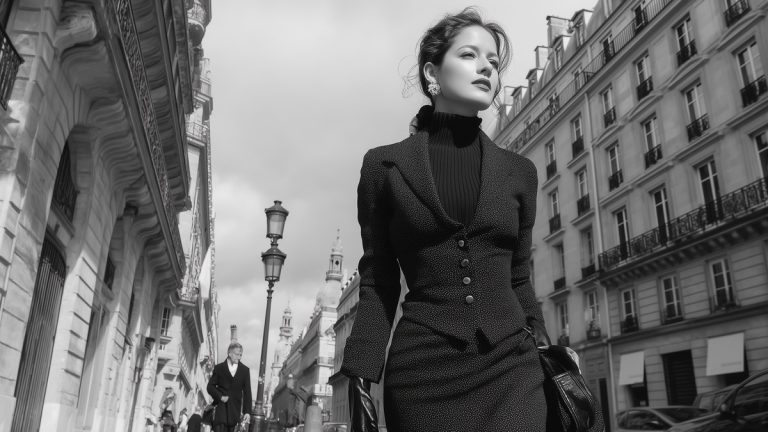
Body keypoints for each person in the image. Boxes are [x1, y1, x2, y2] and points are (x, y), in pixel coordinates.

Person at [340, 7, 603, 432]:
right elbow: (378, 283)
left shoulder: (520, 172)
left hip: (513, 368)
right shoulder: (383, 167)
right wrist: (360, 371)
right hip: (422, 375)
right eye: (469, 55)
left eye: (494, 62)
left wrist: (546, 350)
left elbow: (519, 277)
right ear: (432, 72)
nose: (486, 67)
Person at [207, 342, 253, 432]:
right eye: (237, 354)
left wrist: (247, 411)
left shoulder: (245, 370)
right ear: (229, 353)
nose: (239, 357)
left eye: (240, 355)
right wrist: (220, 396)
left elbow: (247, 392)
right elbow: (210, 387)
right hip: (220, 409)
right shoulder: (219, 368)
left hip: (234, 413)